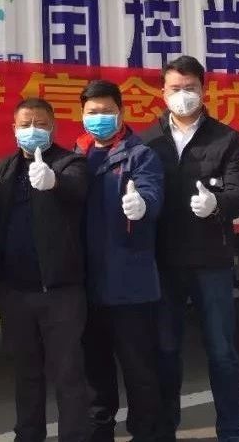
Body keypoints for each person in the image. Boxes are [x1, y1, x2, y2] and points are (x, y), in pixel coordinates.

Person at [140, 55, 239, 442]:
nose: (183, 95)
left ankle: (230, 431)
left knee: (222, 352)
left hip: (211, 262)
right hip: (164, 263)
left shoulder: (226, 139)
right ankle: (165, 429)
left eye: (190, 88)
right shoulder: (147, 142)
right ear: (162, 92)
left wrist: (217, 204)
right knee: (165, 351)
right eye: (175, 88)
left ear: (203, 90)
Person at [0, 97, 91, 442]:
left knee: (68, 373)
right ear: (14, 129)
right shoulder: (4, 169)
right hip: (15, 292)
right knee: (26, 373)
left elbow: (78, 190)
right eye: (25, 124)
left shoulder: (70, 163)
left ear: (53, 127)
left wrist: (54, 182)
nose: (32, 130)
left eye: (40, 124)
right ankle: (28, 434)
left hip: (61, 292)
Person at [75, 79, 165, 442]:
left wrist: (143, 203)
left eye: (107, 111)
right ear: (82, 115)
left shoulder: (140, 155)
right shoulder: (77, 156)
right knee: (95, 374)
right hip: (89, 286)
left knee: (139, 371)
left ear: (121, 112)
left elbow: (152, 192)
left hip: (131, 285)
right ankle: (101, 434)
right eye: (92, 112)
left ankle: (147, 434)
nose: (99, 118)